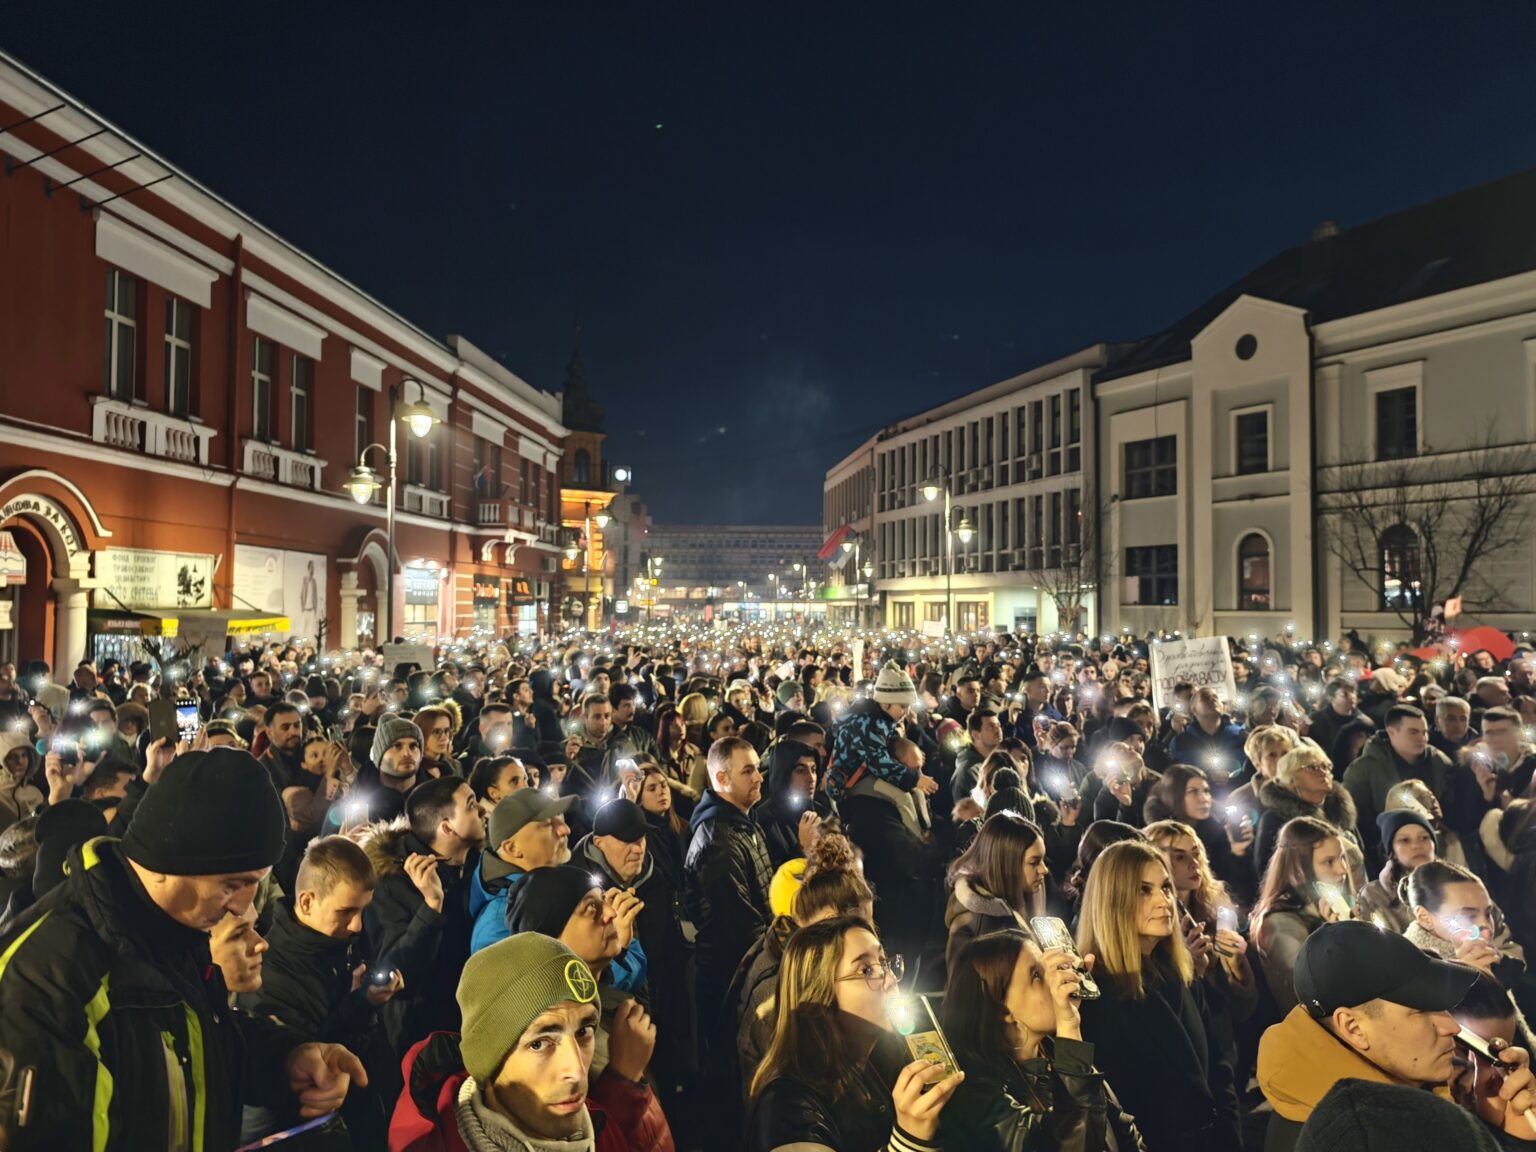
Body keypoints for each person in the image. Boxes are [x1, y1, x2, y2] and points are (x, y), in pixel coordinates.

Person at [0, 746, 367, 1151]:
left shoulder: (173, 930)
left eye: (255, 883)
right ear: (174, 860)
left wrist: (284, 1060)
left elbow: (188, 1046)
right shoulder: (46, 979)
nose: (243, 906)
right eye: (232, 884)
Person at [1256, 920, 1536, 1151]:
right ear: (1353, 1028)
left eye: (1442, 1007)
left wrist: (1510, 1133)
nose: (1451, 1027)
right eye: (1421, 1011)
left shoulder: (1399, 1089)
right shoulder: (1354, 1140)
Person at [388, 932, 674, 1152]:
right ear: (488, 1058)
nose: (575, 1071)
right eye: (539, 1043)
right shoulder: (432, 1144)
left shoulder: (600, 1125)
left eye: (584, 1031)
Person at [1075, 840, 1241, 1152]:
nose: (1163, 900)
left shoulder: (1179, 971)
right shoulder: (1096, 996)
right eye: (1143, 890)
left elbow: (1219, 1067)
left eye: (1165, 887)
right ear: (1113, 901)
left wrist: (1230, 1136)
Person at [745, 915, 963, 1152]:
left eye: (884, 961)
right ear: (818, 997)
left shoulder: (876, 1060)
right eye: (867, 970)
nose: (890, 980)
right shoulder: (787, 1108)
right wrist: (908, 1141)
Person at [237, 834, 400, 1146]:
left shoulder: (336, 945)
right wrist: (361, 1007)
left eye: (363, 911)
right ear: (308, 901)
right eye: (346, 912)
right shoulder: (270, 977)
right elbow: (309, 1075)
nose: (357, 926)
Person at [940, 928, 1146, 1152]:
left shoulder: (1054, 1054)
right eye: (1037, 975)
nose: (1055, 979)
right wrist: (1068, 1025)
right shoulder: (977, 1098)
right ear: (1002, 1008)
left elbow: (1126, 1133)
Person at [360, 775, 486, 1054]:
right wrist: (431, 907)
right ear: (447, 827)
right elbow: (395, 975)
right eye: (471, 806)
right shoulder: (391, 882)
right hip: (420, 1039)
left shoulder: (477, 862)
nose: (483, 811)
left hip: (468, 1020)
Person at [827, 662, 939, 962]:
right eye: (901, 706)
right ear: (886, 701)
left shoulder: (880, 722)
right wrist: (915, 780)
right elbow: (879, 762)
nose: (904, 712)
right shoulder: (868, 725)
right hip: (848, 785)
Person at [684, 735, 773, 1103]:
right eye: (747, 770)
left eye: (758, 769)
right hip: (731, 979)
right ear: (721, 780)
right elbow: (739, 923)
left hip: (746, 971)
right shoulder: (718, 841)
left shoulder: (742, 824)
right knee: (732, 1077)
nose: (758, 778)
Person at [505, 866, 651, 1082]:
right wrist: (623, 1079)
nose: (611, 913)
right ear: (552, 939)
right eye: (592, 909)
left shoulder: (597, 1005)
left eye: (604, 901)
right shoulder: (557, 1039)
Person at [1250, 816, 1355, 1015]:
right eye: (1328, 862)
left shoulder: (1334, 908)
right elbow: (1310, 989)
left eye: (1342, 858)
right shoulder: (1280, 923)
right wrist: (1336, 935)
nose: (1342, 869)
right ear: (1299, 869)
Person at [468, 786, 576, 955]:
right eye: (548, 823)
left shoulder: (554, 883)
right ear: (512, 848)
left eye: (559, 818)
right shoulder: (498, 925)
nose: (565, 829)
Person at [1343, 704, 1453, 868]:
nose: (1422, 738)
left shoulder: (1439, 762)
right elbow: (1359, 824)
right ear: (1392, 732)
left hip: (1436, 852)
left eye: (1424, 732)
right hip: (1386, 857)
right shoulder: (1363, 770)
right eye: (1413, 732)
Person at [943, 811, 1048, 975]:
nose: (1044, 869)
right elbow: (967, 995)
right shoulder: (973, 927)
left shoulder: (1026, 898)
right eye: (1034, 862)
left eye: (1043, 860)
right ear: (1006, 864)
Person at [1401, 859, 1527, 992]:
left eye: (1488, 913)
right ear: (1424, 918)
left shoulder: (1497, 962)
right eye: (1468, 916)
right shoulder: (1407, 975)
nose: (1486, 927)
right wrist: (1463, 982)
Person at [1254, 741, 1360, 884]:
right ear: (1292, 780)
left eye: (1325, 766)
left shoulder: (1339, 811)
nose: (1323, 772)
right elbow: (1268, 872)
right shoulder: (1275, 819)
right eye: (1312, 768)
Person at [1144, 762, 1255, 901]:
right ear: (1174, 796)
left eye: (1206, 791)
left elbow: (1239, 894)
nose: (1203, 798)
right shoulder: (1156, 839)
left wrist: (1238, 853)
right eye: (1193, 792)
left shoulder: (1218, 832)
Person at [1353, 809, 1436, 933]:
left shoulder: (1456, 882)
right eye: (1405, 840)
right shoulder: (1374, 895)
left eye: (1424, 838)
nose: (1417, 845)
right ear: (1392, 852)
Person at [757, 739, 827, 869]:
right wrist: (802, 846)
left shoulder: (823, 812)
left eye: (813, 769)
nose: (811, 778)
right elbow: (773, 876)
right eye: (801, 771)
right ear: (783, 773)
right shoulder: (765, 819)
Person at [1307, 679, 1368, 771]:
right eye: (1344, 694)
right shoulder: (1317, 720)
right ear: (1331, 697)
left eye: (1353, 692)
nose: (1352, 697)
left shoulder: (1363, 721)